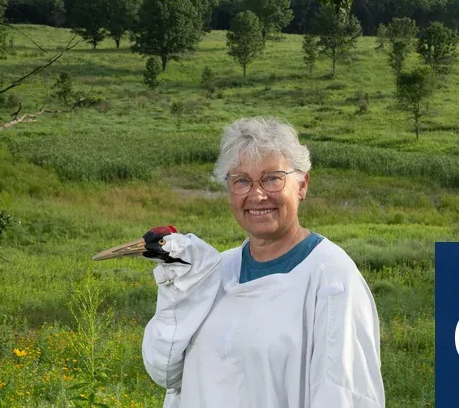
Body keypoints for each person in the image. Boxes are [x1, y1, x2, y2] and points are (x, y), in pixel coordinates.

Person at [142, 116, 385, 407]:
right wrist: (178, 291)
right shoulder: (214, 272)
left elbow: (344, 395)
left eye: (272, 178)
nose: (257, 195)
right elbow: (165, 372)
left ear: (302, 185)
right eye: (242, 180)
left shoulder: (332, 280)